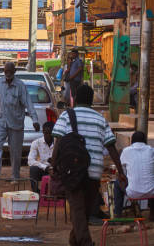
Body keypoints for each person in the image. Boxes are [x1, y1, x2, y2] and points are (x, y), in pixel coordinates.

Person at [52, 84, 126, 246]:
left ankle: (84, 243)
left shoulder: (66, 116)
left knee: (79, 211)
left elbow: (58, 142)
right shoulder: (100, 119)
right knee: (83, 211)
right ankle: (78, 241)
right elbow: (111, 147)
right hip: (94, 172)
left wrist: (54, 165)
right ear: (92, 100)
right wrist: (120, 171)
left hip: (72, 170)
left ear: (76, 98)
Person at [0, 62, 40, 186]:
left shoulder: (20, 86)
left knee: (15, 150)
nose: (8, 74)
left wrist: (35, 119)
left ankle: (15, 175)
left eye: (10, 72)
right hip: (0, 120)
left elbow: (28, 103)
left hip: (15, 122)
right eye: (6, 72)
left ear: (14, 72)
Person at [113, 131, 154, 221]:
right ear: (145, 141)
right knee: (151, 180)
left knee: (117, 184)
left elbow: (121, 170)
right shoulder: (151, 150)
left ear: (132, 141)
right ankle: (152, 213)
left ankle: (118, 215)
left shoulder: (126, 151)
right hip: (152, 192)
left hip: (132, 193)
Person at [28, 121, 55, 193]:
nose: (48, 136)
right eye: (46, 133)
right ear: (43, 132)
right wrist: (45, 168)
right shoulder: (36, 143)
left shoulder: (58, 143)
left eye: (51, 133)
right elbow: (30, 161)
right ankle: (36, 193)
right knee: (33, 169)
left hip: (56, 170)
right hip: (43, 169)